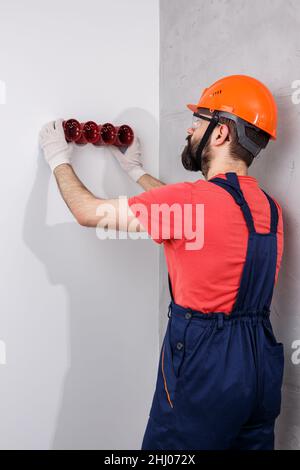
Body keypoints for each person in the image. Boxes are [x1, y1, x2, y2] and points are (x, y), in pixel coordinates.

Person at [39, 74, 284, 450]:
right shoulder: (269, 208)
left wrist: (58, 158)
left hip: (205, 361)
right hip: (259, 367)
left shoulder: (193, 203)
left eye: (200, 121)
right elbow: (190, 212)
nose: (190, 128)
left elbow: (88, 212)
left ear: (221, 135)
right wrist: (136, 173)